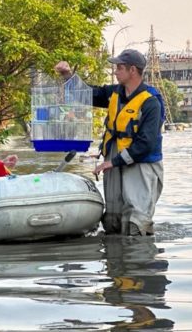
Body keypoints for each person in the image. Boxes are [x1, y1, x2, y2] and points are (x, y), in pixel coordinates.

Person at [55, 49, 164, 236]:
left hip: (141, 164)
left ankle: (138, 259)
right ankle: (115, 261)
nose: (115, 71)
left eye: (119, 68)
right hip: (114, 159)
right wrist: (67, 75)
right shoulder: (115, 93)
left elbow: (146, 143)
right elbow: (86, 93)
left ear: (133, 70)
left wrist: (113, 162)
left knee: (136, 225)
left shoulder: (151, 102)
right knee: (112, 221)